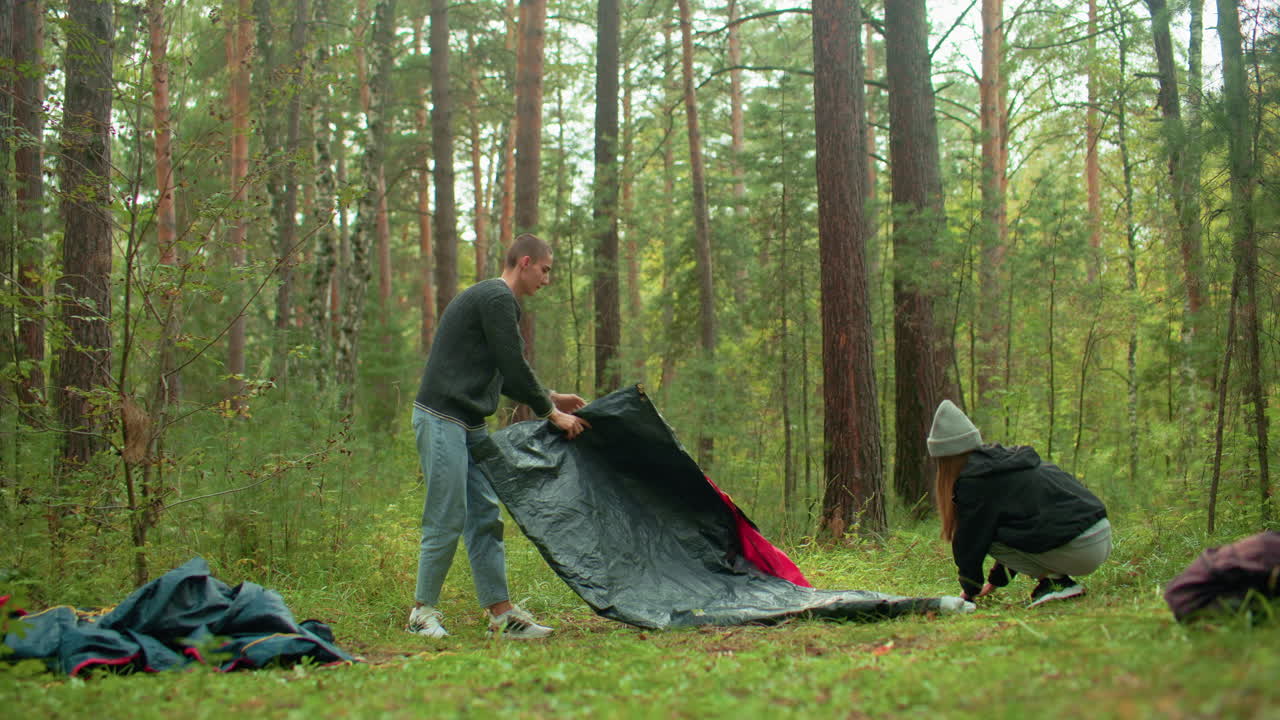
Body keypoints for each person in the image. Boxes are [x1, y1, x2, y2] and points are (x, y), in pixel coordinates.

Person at [407, 233, 590, 640]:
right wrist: (550, 413)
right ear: (525, 262)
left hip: (468, 423)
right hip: (441, 418)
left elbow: (501, 370)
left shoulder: (496, 302)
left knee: (485, 516)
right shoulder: (497, 298)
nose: (547, 279)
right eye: (545, 270)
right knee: (447, 513)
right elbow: (512, 360)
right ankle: (421, 613)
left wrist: (549, 395)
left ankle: (502, 616)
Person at [927, 400, 1111, 608]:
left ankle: (1057, 584)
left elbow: (970, 543)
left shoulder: (974, 482)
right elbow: (1019, 527)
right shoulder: (1005, 464)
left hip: (1081, 546)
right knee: (995, 528)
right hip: (1101, 533)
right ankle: (1054, 582)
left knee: (985, 533)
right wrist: (994, 583)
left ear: (944, 460)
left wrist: (970, 591)